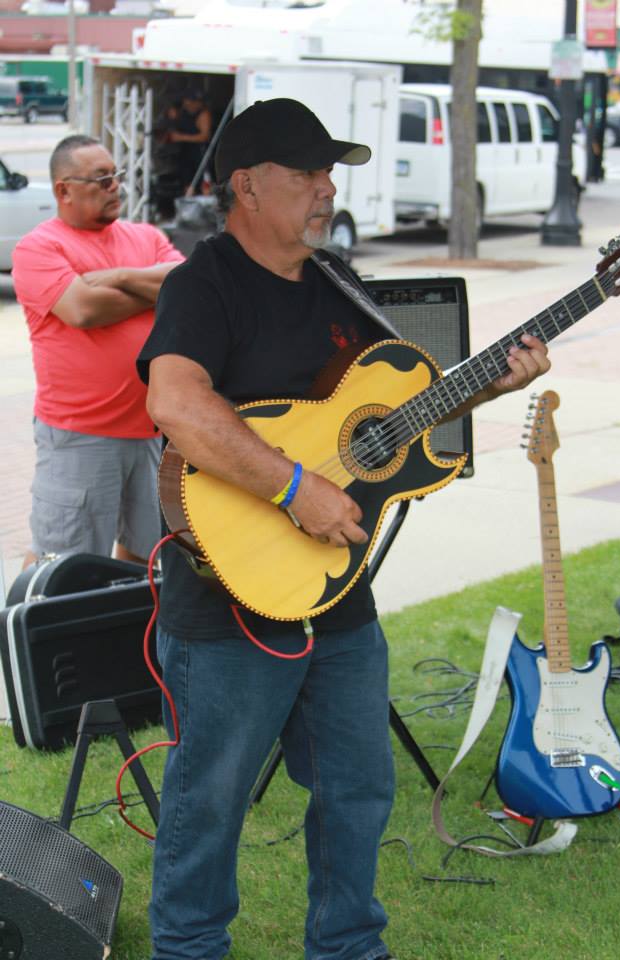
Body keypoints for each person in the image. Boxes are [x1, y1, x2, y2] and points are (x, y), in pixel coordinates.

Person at [138, 97, 551, 960]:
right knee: (209, 795)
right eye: (309, 173)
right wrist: (295, 488)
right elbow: (176, 404)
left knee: (359, 786)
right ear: (247, 186)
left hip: (338, 596)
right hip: (229, 602)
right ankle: (187, 947)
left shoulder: (339, 284)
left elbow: (397, 415)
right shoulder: (203, 283)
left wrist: (491, 385)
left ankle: (349, 944)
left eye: (332, 173)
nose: (329, 188)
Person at [11, 134, 184, 569]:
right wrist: (151, 289)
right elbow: (83, 309)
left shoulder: (144, 236)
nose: (115, 186)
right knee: (63, 565)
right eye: (101, 179)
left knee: (144, 558)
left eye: (117, 176)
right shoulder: (39, 248)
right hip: (81, 436)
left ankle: (118, 634)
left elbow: (186, 286)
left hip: (149, 432)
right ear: (63, 190)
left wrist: (118, 275)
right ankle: (27, 636)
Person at [168, 88, 213, 194]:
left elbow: (205, 136)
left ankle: (206, 204)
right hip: (185, 152)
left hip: (199, 152)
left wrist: (182, 137)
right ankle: (188, 204)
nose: (191, 104)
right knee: (187, 181)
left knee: (204, 181)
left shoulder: (203, 114)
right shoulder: (181, 111)